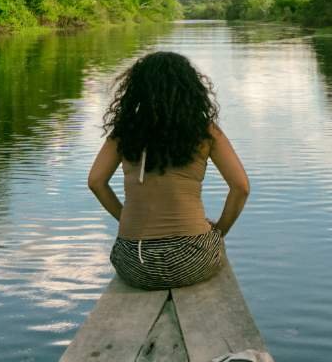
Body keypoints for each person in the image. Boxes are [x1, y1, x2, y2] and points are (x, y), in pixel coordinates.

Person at [86, 51, 250, 290]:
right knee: (211, 241)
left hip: (134, 262)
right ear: (190, 88)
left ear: (137, 90)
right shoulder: (206, 132)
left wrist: (126, 218)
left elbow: (96, 182)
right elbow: (241, 187)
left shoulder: (124, 132)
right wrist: (219, 232)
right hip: (193, 259)